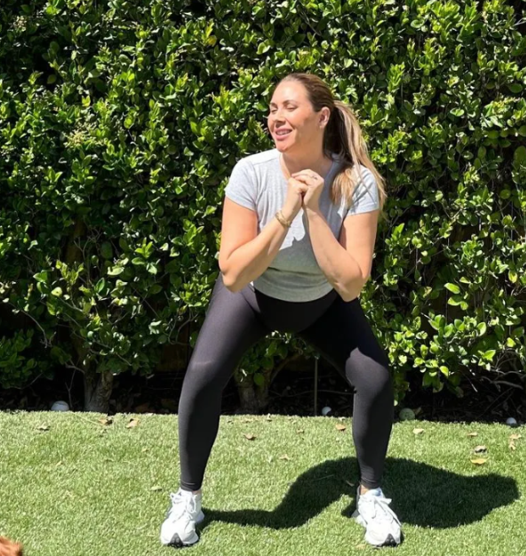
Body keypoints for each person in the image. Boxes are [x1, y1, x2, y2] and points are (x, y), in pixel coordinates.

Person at [160, 72, 402, 548]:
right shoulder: (251, 172)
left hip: (323, 301)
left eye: (289, 107)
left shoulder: (357, 183)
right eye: (272, 109)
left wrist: (314, 210)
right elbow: (233, 273)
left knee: (375, 379)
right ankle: (188, 498)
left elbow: (351, 284)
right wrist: (286, 211)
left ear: (322, 117)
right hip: (253, 294)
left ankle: (370, 495)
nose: (276, 117)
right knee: (203, 375)